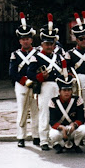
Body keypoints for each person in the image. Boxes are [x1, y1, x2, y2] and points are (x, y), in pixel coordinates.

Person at [26, 14, 65, 151]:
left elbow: (64, 71)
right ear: (42, 44)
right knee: (44, 113)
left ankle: (55, 139)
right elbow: (29, 73)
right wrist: (40, 77)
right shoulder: (36, 57)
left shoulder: (59, 56)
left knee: (58, 113)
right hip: (45, 86)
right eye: (47, 43)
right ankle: (43, 140)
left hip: (58, 86)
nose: (49, 46)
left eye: (51, 43)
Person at [9, 12, 39, 148]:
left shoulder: (38, 53)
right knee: (22, 111)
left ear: (31, 39)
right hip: (22, 85)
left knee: (35, 111)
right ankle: (21, 137)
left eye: (27, 38)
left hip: (36, 85)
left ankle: (36, 136)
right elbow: (12, 73)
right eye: (23, 39)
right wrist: (25, 81)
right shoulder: (15, 54)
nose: (25, 41)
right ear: (20, 40)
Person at [48, 69, 85, 153]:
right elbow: (52, 121)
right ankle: (61, 144)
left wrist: (74, 125)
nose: (67, 93)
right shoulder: (53, 101)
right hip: (60, 129)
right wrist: (62, 128)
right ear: (59, 91)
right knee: (53, 134)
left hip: (72, 128)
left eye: (69, 90)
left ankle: (75, 144)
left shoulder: (77, 100)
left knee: (84, 129)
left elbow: (81, 119)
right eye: (64, 90)